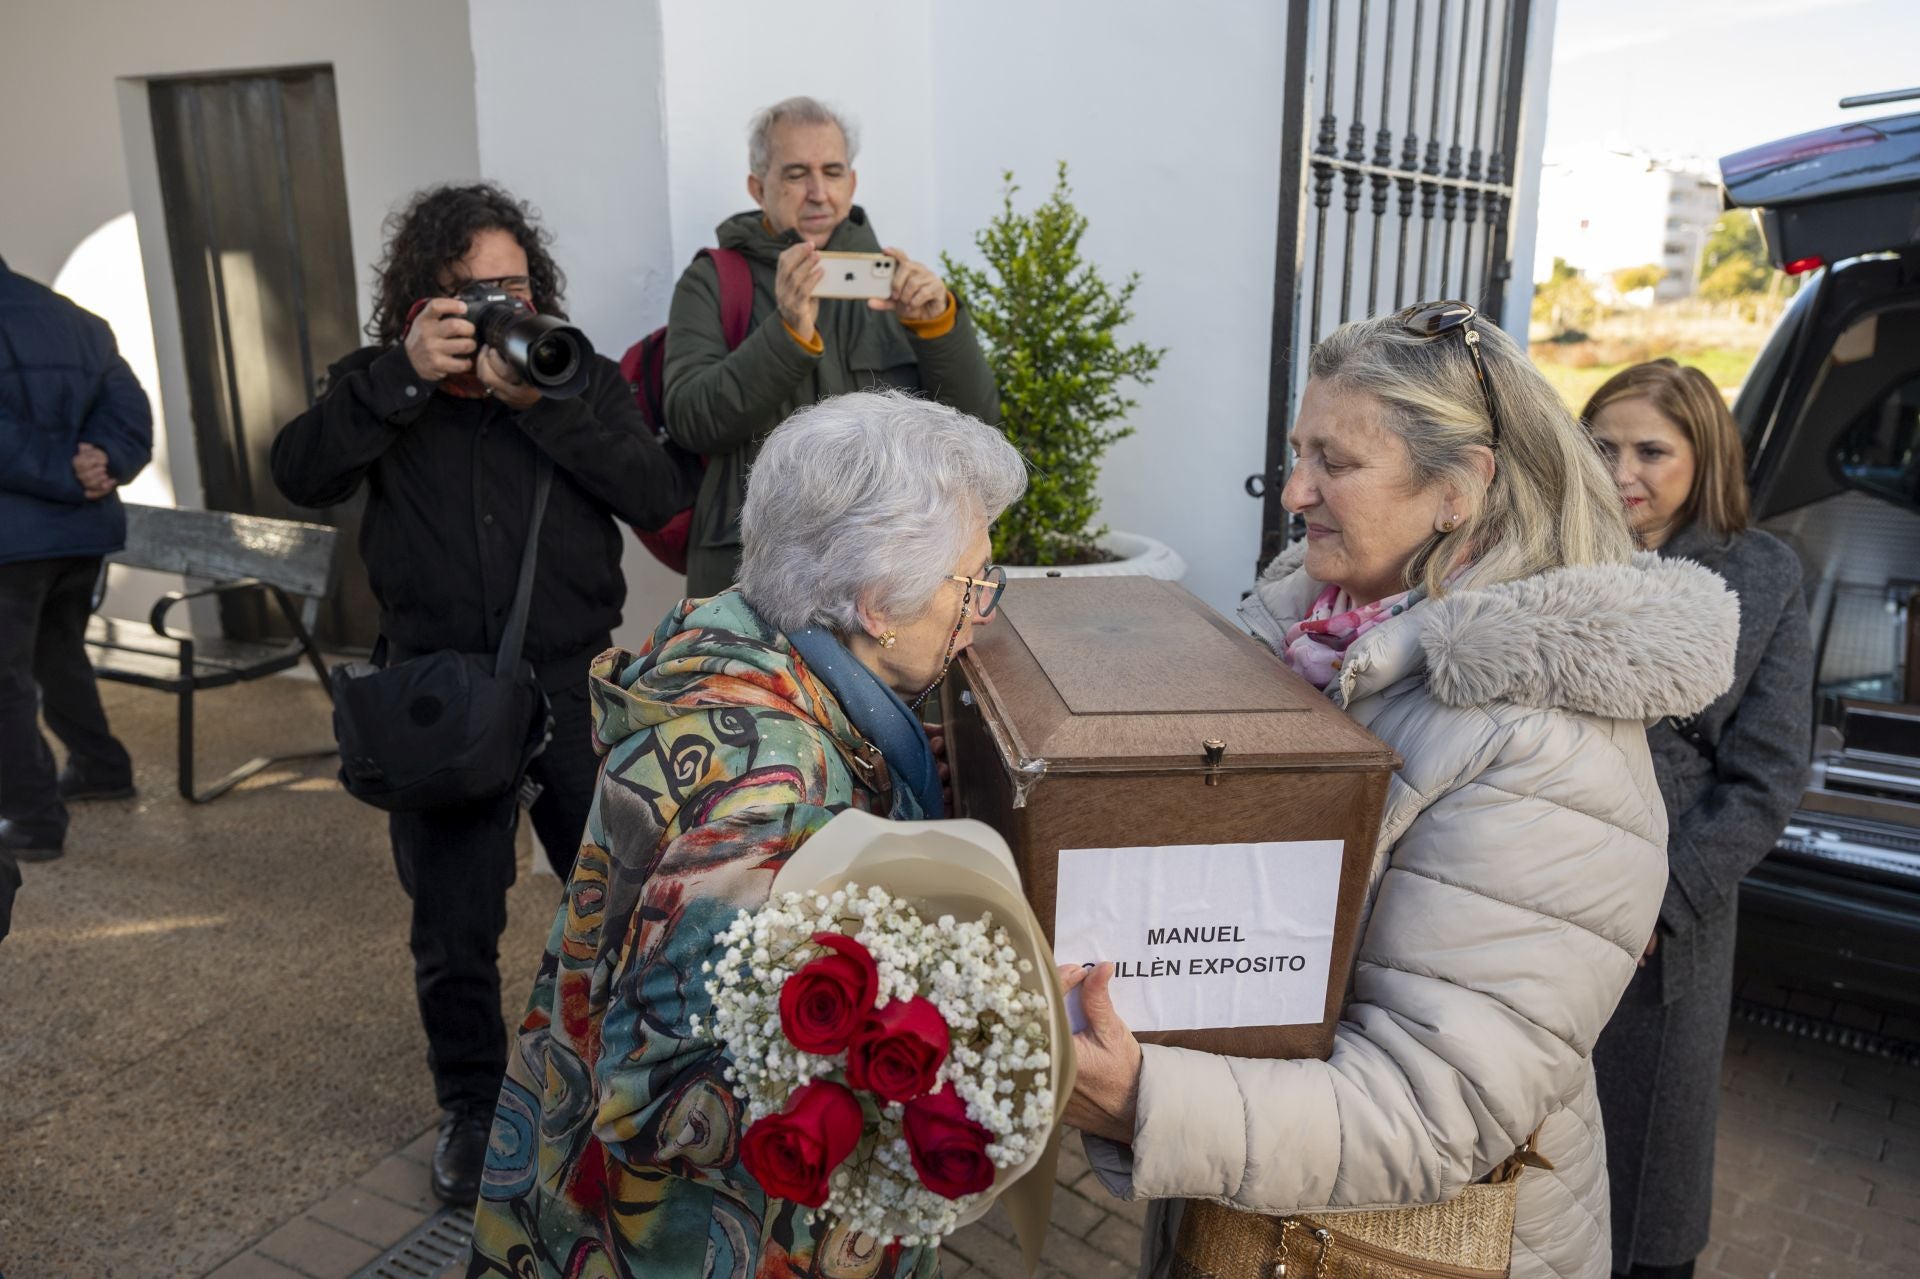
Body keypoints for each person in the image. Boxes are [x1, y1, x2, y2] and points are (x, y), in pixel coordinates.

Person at [1061, 303, 1742, 1279]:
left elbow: (1434, 1107)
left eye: (1334, 461)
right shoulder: (1314, 636)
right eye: (1299, 453)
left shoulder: (1545, 744)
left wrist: (1146, 1101)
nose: (1295, 490)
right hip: (1257, 1211)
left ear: (1459, 488)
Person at [465, 391, 1023, 1279]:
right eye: (974, 582)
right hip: (696, 1242)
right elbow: (657, 1093)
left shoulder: (749, 640)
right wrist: (931, 1060)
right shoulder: (771, 790)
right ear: (879, 602)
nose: (985, 609)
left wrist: (888, 781)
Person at [270, 182, 692, 1206]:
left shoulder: (575, 375)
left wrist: (542, 406)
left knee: (623, 906)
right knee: (454, 926)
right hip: (441, 698)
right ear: (423, 302)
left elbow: (656, 495)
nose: (502, 306)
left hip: (572, 687)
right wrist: (401, 378)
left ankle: (626, 1091)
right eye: (475, 291)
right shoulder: (380, 384)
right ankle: (471, 1107)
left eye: (516, 285)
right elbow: (299, 473)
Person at [1584, 359, 1812, 1279]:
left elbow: (1767, 776)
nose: (1622, 473)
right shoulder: (1560, 549)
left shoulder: (1762, 572)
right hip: (1545, 877)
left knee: (1644, 1184)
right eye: (1601, 446)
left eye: (1651, 451)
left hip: (1666, 916)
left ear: (1703, 455)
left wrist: (1663, 900)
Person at [662, 95, 999, 598]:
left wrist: (937, 328)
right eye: (796, 174)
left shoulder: (894, 285)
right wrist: (786, 333)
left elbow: (975, 428)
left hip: (884, 570)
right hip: (751, 571)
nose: (818, 193)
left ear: (852, 183)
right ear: (758, 187)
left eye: (833, 172)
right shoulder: (712, 280)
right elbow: (692, 420)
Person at [0, 253, 153, 864]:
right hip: (80, 537)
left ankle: (31, 819)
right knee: (57, 653)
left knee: (5, 682)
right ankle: (101, 766)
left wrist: (65, 469)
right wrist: (103, 460)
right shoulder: (75, 320)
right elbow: (129, 413)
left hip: (10, 542)